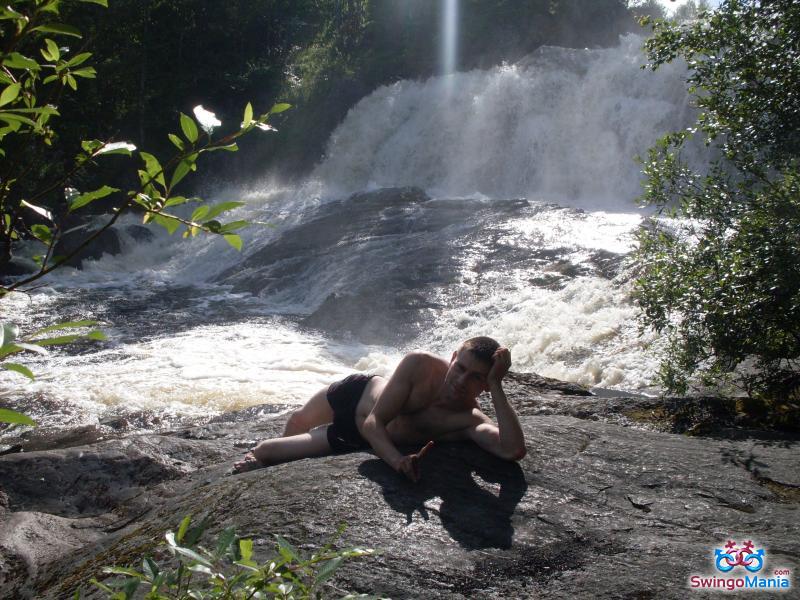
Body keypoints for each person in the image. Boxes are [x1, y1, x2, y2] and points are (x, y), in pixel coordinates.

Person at [233, 337, 526, 481]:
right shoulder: (420, 363)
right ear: (452, 358)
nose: (462, 380)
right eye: (460, 367)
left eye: (476, 377)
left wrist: (497, 385)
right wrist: (398, 461)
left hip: (355, 437)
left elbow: (511, 450)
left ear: (487, 383)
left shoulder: (468, 419)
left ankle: (270, 464)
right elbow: (376, 421)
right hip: (357, 393)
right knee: (298, 419)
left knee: (266, 451)